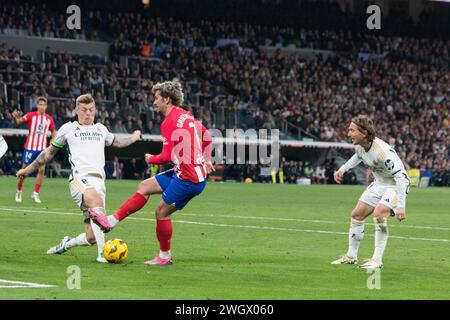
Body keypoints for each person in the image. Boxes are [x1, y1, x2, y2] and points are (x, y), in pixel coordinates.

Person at [89, 81, 214, 266]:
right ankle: (111, 221)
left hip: (189, 179)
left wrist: (151, 158)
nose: (153, 101)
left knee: (161, 212)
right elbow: (207, 136)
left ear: (167, 99)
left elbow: (166, 156)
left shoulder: (169, 122)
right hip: (187, 171)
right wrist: (208, 159)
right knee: (144, 186)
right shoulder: (186, 116)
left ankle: (164, 257)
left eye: (156, 98)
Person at [16, 94, 142, 263]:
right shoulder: (68, 129)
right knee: (96, 203)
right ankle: (101, 255)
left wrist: (134, 137)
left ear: (95, 110)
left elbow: (118, 142)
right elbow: (48, 153)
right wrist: (29, 169)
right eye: (84, 110)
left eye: (91, 110)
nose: (88, 113)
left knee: (91, 236)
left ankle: (67, 243)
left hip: (99, 181)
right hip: (79, 179)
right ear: (76, 110)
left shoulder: (100, 129)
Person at [331, 115, 410, 269]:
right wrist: (342, 170)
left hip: (395, 185)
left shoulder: (382, 152)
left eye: (352, 130)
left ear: (364, 133)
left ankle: (377, 260)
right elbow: (358, 156)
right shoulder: (360, 145)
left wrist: (401, 206)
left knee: (379, 214)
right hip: (379, 183)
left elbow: (402, 178)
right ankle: (351, 256)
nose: (348, 134)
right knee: (357, 214)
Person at [12, 97, 57, 203]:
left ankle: (35, 193)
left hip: (42, 149)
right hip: (30, 148)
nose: (42, 106)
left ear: (46, 106)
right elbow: (18, 122)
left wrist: (53, 140)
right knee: (24, 172)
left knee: (41, 170)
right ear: (37, 105)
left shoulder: (49, 118)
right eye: (40, 104)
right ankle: (19, 191)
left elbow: (54, 131)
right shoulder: (31, 115)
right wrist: (15, 118)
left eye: (43, 105)